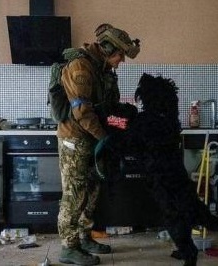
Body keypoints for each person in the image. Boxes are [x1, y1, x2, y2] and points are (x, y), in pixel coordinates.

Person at [98, 73, 218, 266]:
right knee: (186, 211)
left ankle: (189, 255)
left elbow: (125, 138)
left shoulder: (147, 123)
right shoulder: (168, 122)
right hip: (174, 179)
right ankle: (190, 244)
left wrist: (108, 121)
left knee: (174, 217)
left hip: (164, 183)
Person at [57, 23, 140, 266]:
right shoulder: (80, 67)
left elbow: (106, 111)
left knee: (92, 191)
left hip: (93, 138)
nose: (121, 60)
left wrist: (125, 121)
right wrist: (105, 137)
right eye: (119, 54)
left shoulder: (103, 70)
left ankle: (84, 237)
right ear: (105, 48)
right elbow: (82, 112)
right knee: (74, 194)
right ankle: (68, 247)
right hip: (75, 138)